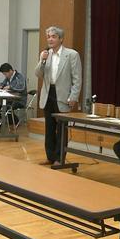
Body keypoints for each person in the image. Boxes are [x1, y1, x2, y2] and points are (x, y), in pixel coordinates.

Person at [35, 26, 82, 166]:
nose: (50, 39)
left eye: (53, 36)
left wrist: (73, 97)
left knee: (61, 128)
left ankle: (59, 158)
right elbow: (38, 74)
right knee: (49, 127)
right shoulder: (46, 54)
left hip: (63, 94)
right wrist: (42, 60)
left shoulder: (72, 54)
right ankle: (50, 156)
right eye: (48, 36)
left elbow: (77, 78)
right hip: (48, 93)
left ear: (61, 39)